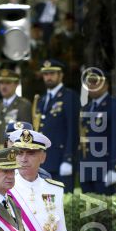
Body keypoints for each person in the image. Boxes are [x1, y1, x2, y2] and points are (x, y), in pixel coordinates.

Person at [34, 59, 80, 192]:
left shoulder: (69, 96)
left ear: (61, 75)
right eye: (46, 74)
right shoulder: (41, 100)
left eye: (52, 73)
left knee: (61, 204)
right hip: (44, 161)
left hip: (61, 160)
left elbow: (73, 129)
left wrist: (68, 158)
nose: (48, 77)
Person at [79, 69, 116, 194]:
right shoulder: (87, 108)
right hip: (88, 169)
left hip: (105, 169)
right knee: (89, 211)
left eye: (95, 82)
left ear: (105, 85)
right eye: (88, 82)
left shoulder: (114, 106)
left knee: (105, 212)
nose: (91, 86)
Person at [0, 69, 32, 146]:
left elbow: (26, 133)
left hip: (14, 151)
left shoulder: (23, 105)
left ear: (16, 84)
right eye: (1, 83)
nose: (3, 86)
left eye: (8, 83)